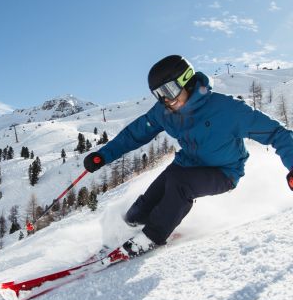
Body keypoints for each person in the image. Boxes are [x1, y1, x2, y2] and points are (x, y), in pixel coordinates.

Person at [84, 55, 293, 258]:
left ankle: (151, 237)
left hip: (223, 172)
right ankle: (127, 230)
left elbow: (277, 133)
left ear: (187, 81)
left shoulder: (228, 110)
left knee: (179, 184)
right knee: (145, 204)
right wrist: (102, 156)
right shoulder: (165, 111)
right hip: (187, 164)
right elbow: (135, 134)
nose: (165, 99)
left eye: (168, 90)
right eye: (158, 94)